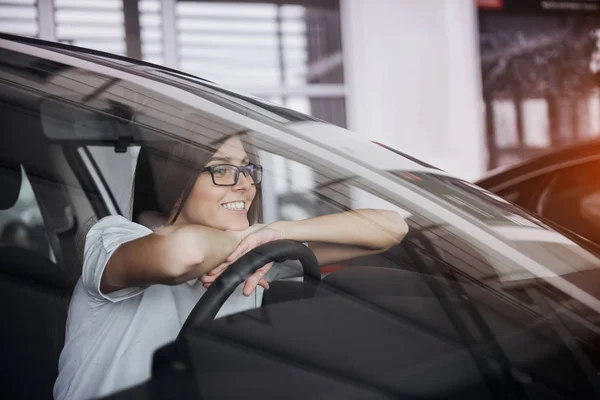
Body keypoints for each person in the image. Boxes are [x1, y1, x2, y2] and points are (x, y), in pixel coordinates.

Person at [53, 134, 409, 400]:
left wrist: (279, 231)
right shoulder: (115, 237)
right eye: (222, 169)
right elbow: (184, 253)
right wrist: (253, 246)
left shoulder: (259, 253)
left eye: (247, 169)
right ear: (173, 177)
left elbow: (391, 227)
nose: (244, 184)